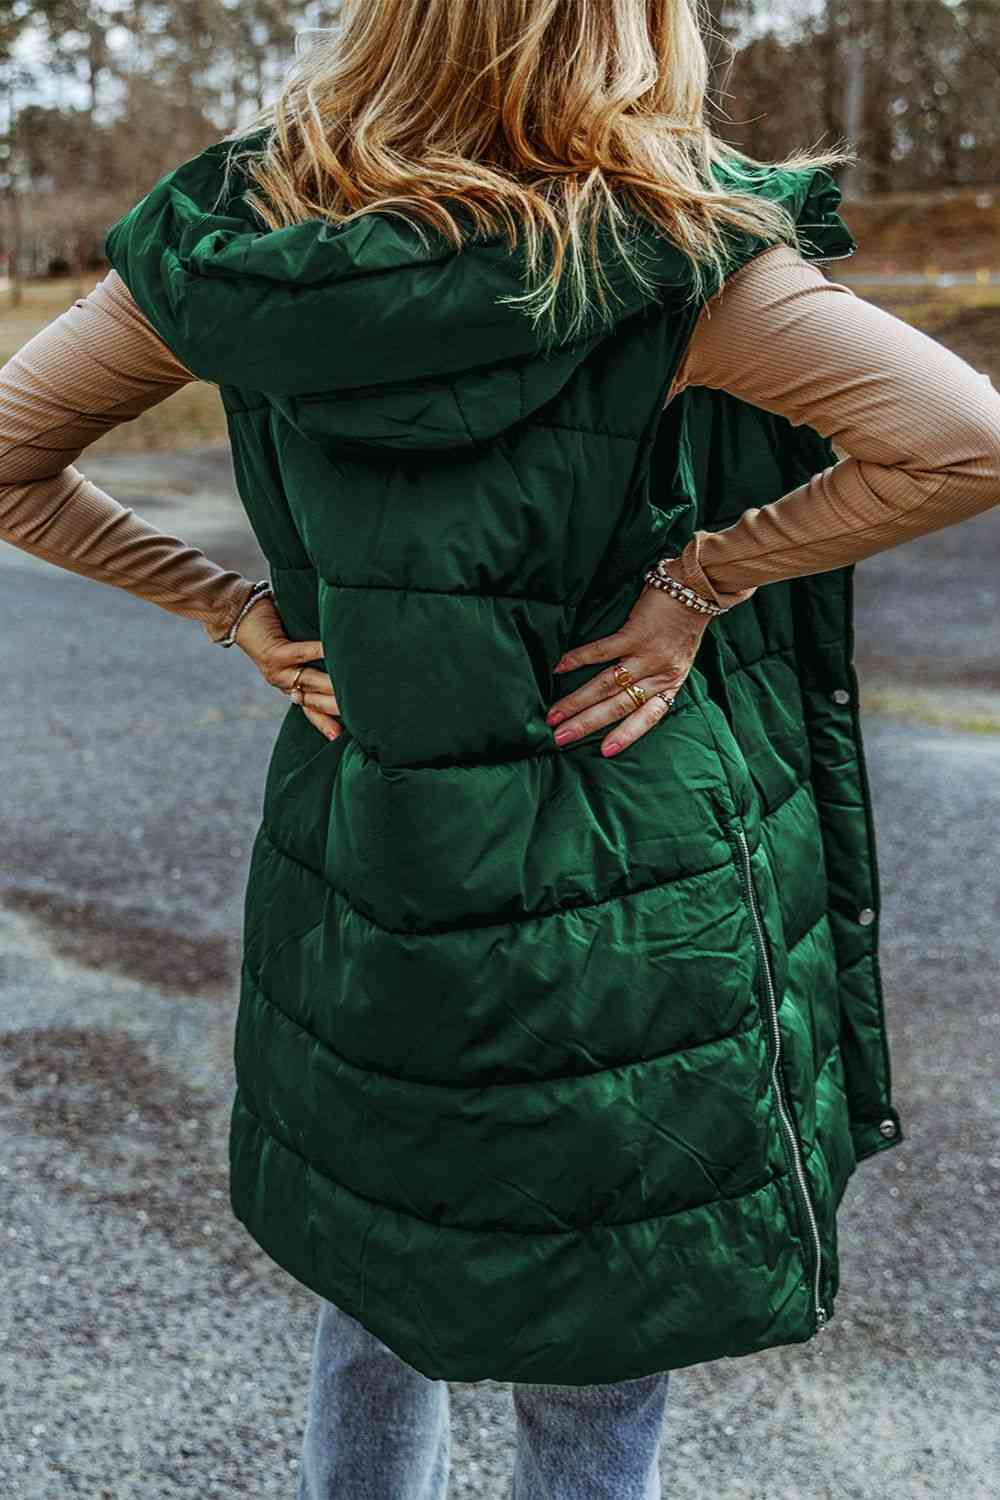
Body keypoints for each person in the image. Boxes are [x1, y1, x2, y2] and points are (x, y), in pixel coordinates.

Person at [2, 2, 998, 1495]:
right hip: (624, 858)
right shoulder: (673, 252)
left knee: (378, 1277)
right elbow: (966, 441)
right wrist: (698, 584)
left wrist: (230, 609)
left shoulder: (237, 247)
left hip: (372, 848)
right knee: (604, 1329)